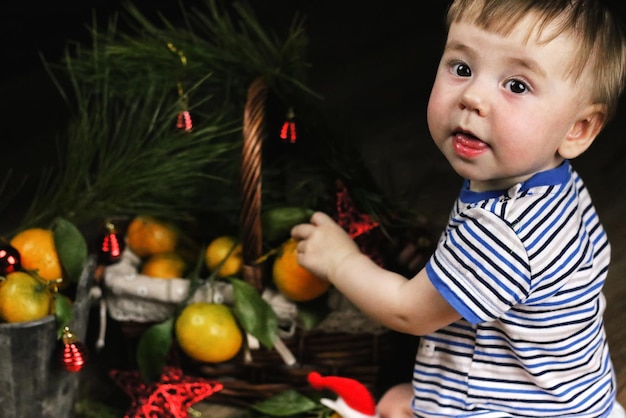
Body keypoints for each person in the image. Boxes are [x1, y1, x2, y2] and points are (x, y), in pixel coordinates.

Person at [290, 0, 626, 416]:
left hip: (517, 410)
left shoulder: (503, 231)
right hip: (567, 395)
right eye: (462, 68)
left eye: (517, 86)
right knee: (401, 400)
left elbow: (408, 311)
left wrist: (339, 259)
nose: (473, 96)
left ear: (577, 129)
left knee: (381, 405)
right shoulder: (556, 188)